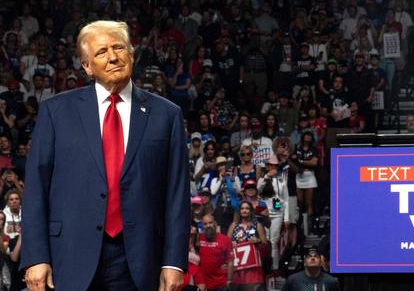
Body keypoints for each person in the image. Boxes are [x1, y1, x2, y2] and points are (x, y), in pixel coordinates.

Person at [21, 20, 190, 290]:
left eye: (119, 48)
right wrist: (35, 257)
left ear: (131, 54)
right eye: (101, 52)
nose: (113, 57)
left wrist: (174, 262)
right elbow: (35, 189)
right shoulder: (56, 112)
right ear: (87, 66)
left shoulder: (166, 115)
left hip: (141, 259)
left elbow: (177, 194)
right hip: (69, 254)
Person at [227, 200, 267, 291]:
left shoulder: (257, 225)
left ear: (251, 211)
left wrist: (258, 240)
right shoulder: (233, 225)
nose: (244, 210)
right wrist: (231, 243)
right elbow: (226, 244)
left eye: (247, 208)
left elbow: (265, 243)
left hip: (253, 265)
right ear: (239, 211)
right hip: (238, 265)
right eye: (242, 208)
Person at [197, 214, 234, 291]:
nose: (208, 226)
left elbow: (230, 262)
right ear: (202, 226)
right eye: (205, 224)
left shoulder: (225, 240)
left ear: (215, 224)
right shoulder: (199, 238)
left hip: (221, 284)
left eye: (210, 223)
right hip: (204, 285)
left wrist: (229, 281)